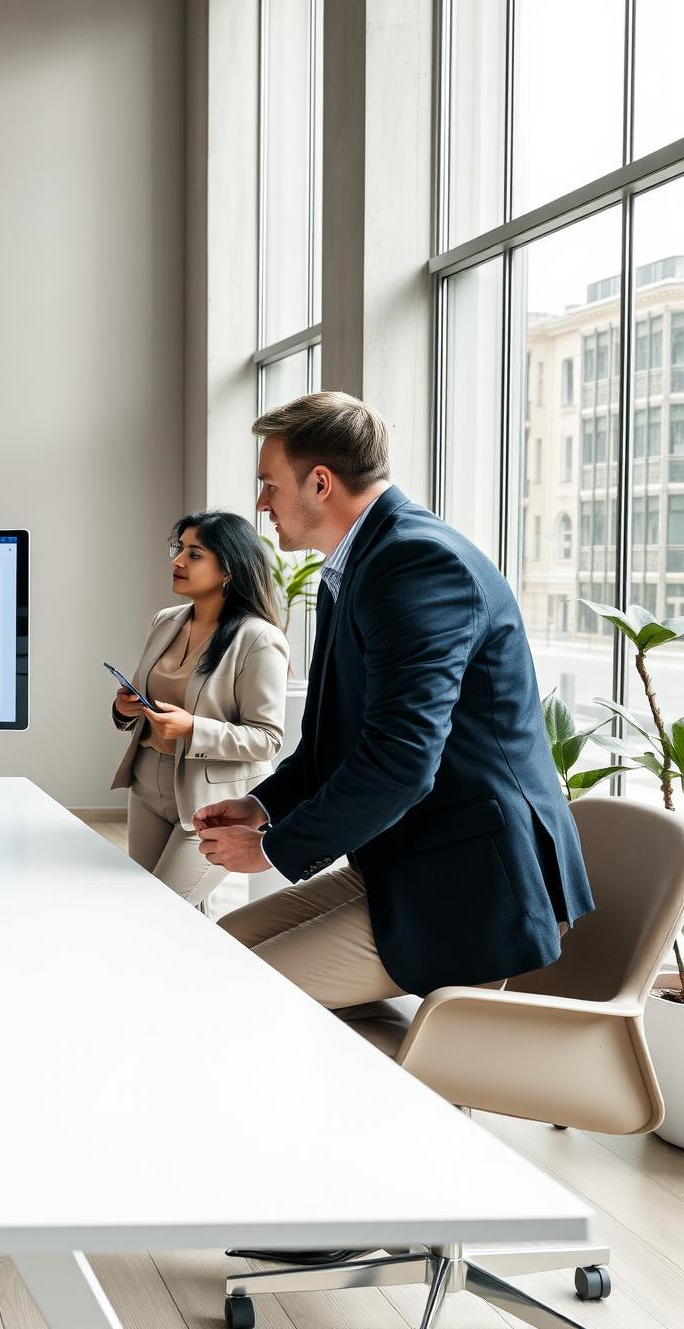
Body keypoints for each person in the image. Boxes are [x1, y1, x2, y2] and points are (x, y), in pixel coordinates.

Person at [196, 391, 593, 1006]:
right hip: (410, 860)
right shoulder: (357, 565)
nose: (261, 504)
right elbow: (337, 740)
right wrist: (259, 808)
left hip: (475, 884)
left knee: (232, 993)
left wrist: (273, 850)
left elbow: (402, 760)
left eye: (269, 484)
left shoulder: (415, 562)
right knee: (221, 949)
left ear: (320, 483)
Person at [109, 512, 288, 909]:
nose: (177, 562)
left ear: (228, 568)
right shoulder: (166, 621)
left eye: (194, 554)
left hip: (211, 801)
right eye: (179, 550)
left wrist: (192, 729)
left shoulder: (258, 638)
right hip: (147, 787)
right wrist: (125, 707)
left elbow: (268, 739)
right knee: (165, 910)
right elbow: (141, 699)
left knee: (160, 912)